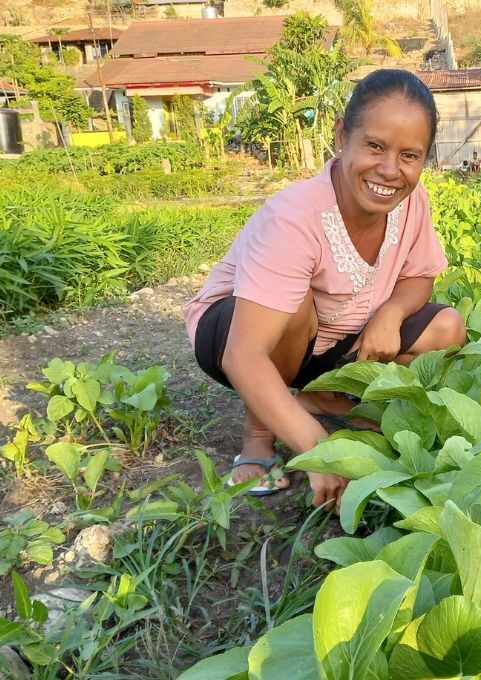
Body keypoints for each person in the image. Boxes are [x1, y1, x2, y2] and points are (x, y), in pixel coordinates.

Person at [183, 69, 466, 511]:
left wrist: (390, 315)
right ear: (341, 136)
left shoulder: (412, 200)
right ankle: (258, 439)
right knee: (294, 304)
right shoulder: (295, 217)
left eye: (409, 155)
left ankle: (317, 398)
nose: (390, 170)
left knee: (447, 327)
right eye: (375, 145)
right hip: (239, 336)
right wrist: (322, 452)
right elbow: (244, 354)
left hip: (334, 338)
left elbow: (420, 276)